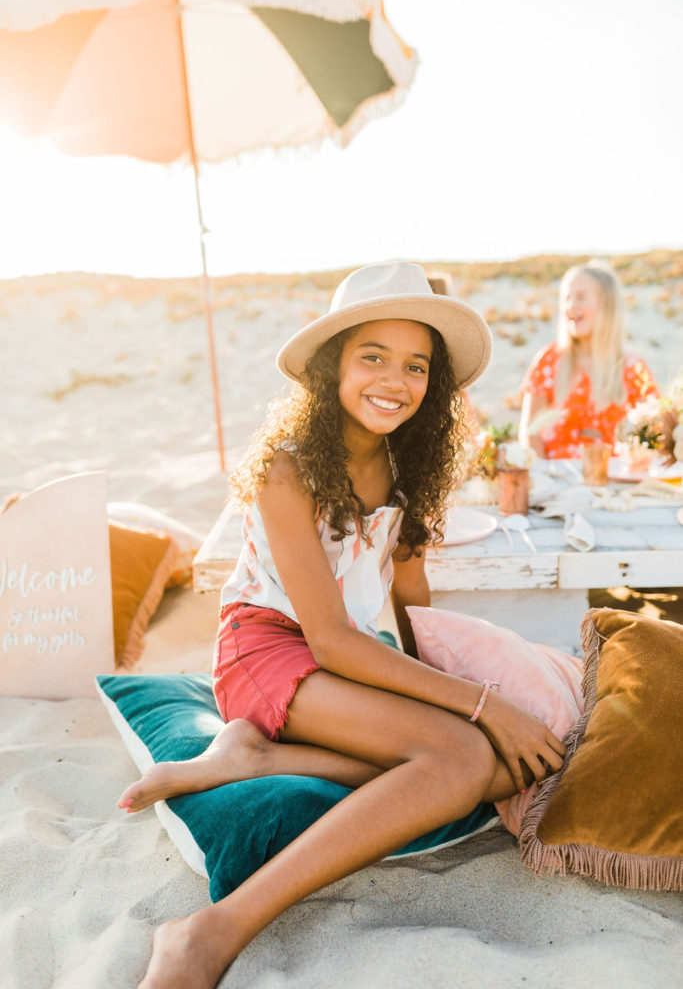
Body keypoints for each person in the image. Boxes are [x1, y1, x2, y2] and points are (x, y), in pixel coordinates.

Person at [118, 261, 565, 989]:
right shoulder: (285, 471)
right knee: (457, 758)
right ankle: (210, 930)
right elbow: (325, 637)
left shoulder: (406, 465)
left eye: (416, 365)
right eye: (372, 357)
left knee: (475, 759)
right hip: (267, 650)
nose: (394, 379)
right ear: (331, 367)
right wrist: (483, 706)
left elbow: (410, 597)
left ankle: (259, 760)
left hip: (346, 660)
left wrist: (447, 687)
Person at [518, 260, 658, 459]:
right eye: (566, 298)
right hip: (556, 481)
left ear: (606, 305)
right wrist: (542, 476)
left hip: (614, 482)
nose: (570, 306)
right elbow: (529, 432)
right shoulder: (548, 360)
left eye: (580, 297)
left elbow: (655, 429)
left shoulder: (633, 367)